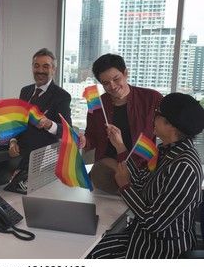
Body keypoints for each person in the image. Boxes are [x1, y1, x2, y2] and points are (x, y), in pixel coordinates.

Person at [87, 93, 204, 258]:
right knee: (90, 251)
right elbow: (142, 183)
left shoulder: (183, 167)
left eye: (157, 114)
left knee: (91, 257)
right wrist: (120, 147)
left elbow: (154, 222)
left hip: (160, 250)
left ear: (172, 126)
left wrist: (125, 187)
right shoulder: (169, 152)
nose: (152, 118)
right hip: (140, 236)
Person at [0, 48, 72, 184]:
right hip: (14, 146)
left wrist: (48, 124)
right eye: (36, 65)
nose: (40, 70)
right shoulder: (26, 91)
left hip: (33, 153)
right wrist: (12, 141)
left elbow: (67, 131)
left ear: (54, 70)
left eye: (46, 66)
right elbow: (18, 122)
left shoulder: (61, 96)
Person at [79, 53, 163, 194]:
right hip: (106, 171)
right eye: (105, 83)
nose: (112, 86)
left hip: (141, 170)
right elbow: (92, 136)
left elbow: (167, 130)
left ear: (125, 73)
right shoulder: (97, 104)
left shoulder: (151, 98)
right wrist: (84, 141)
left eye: (116, 79)